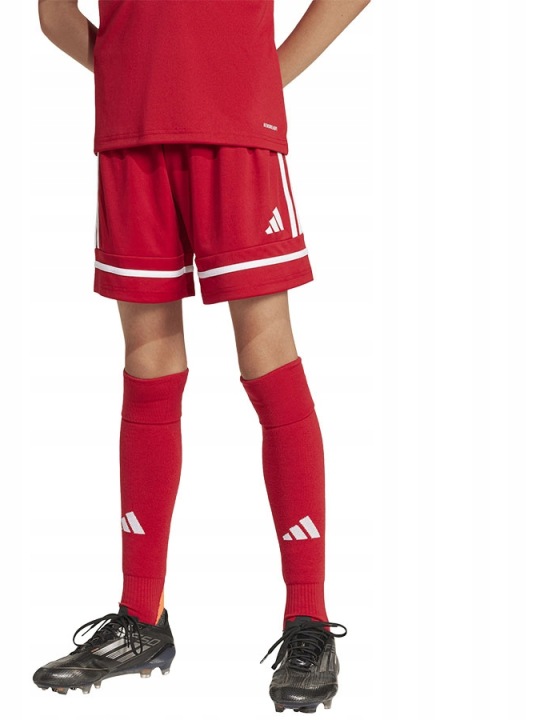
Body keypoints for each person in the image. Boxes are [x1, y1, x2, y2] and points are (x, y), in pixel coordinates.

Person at [33, 0, 369, 712]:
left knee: (268, 359)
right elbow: (54, 16)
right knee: (148, 363)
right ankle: (141, 616)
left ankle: (308, 619)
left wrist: (257, 78)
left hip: (236, 135)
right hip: (130, 139)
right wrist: (135, 78)